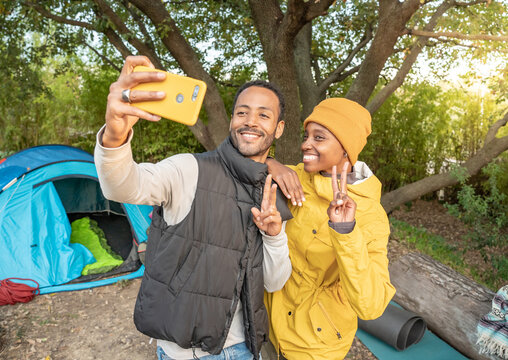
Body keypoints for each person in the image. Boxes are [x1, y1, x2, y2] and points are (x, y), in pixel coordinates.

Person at [94, 55, 293, 360]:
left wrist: (275, 236)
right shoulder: (190, 169)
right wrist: (114, 135)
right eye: (242, 112)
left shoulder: (272, 190)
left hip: (244, 348)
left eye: (263, 115)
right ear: (232, 121)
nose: (251, 121)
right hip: (185, 354)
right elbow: (123, 185)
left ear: (278, 129)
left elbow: (272, 282)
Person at [263, 98, 396, 359]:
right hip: (266, 329)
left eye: (319, 137)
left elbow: (371, 306)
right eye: (306, 135)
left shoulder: (371, 215)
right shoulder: (293, 178)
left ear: (346, 149)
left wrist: (345, 232)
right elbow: (238, 160)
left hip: (314, 347)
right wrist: (270, 162)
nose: (305, 144)